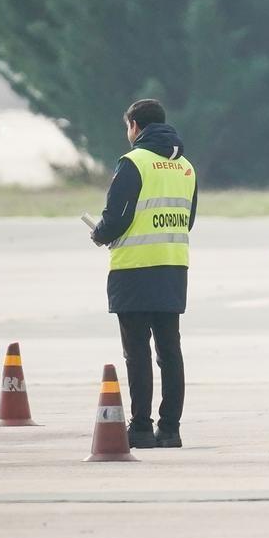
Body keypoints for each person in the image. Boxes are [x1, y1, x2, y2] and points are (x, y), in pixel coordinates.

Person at [90, 99, 197, 449]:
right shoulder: (186, 167)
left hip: (134, 269)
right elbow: (188, 220)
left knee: (137, 352)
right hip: (173, 266)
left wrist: (99, 233)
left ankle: (140, 428)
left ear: (135, 126)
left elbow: (116, 216)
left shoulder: (133, 162)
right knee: (170, 350)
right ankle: (171, 429)